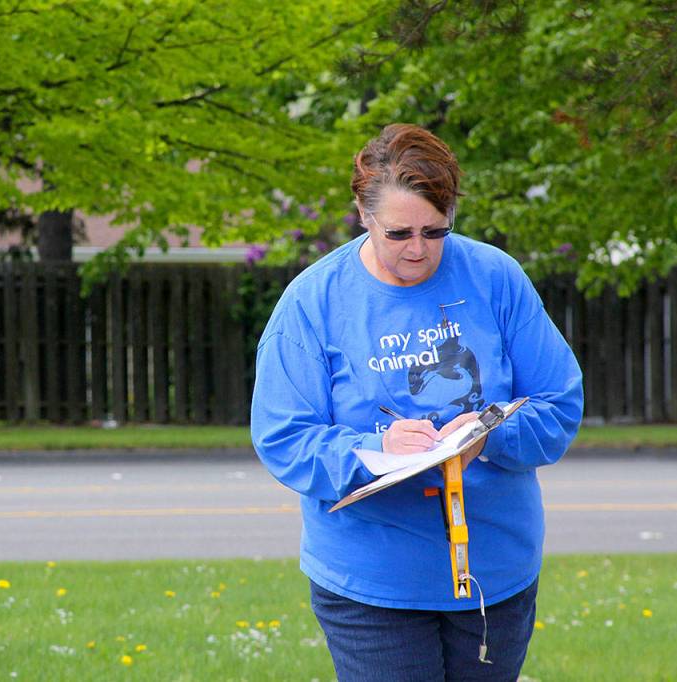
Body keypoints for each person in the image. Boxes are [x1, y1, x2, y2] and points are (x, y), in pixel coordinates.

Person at [250, 123, 583, 681]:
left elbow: (559, 403)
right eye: (399, 232)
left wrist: (489, 436)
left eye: (436, 231)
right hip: (371, 583)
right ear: (363, 213)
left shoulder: (495, 277)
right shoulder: (312, 301)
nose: (418, 250)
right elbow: (283, 437)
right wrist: (375, 450)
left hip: (495, 573)